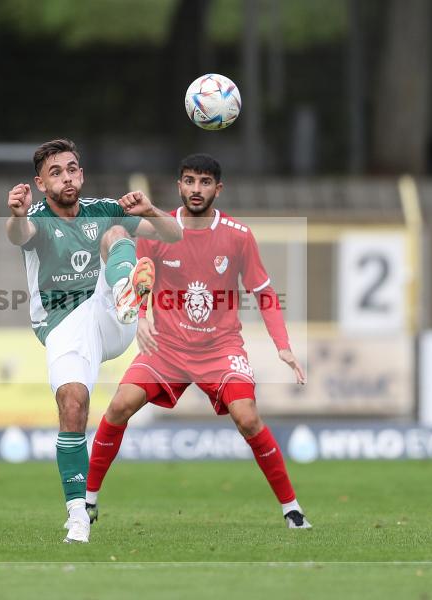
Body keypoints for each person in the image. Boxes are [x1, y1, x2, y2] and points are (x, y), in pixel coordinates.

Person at [85, 153, 312, 529]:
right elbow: (139, 278)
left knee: (248, 417)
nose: (196, 188)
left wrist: (282, 344)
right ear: (179, 186)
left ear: (218, 189)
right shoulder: (157, 231)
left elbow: (264, 291)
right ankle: (88, 503)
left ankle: (292, 509)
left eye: (204, 182)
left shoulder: (238, 236)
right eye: (189, 180)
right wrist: (141, 319)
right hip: (168, 348)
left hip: (220, 349)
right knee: (119, 406)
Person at [5, 139, 182, 543]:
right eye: (56, 173)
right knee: (72, 404)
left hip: (108, 313)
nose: (66, 177)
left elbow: (174, 236)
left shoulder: (101, 210)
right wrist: (14, 214)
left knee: (117, 230)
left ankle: (126, 292)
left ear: (81, 174)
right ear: (41, 183)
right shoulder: (35, 218)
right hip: (63, 324)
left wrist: (152, 209)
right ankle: (78, 515)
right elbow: (19, 234)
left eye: (71, 169)